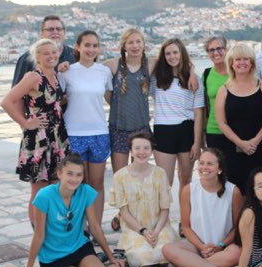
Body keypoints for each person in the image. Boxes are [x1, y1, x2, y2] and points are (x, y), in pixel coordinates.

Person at [8, 154, 125, 267]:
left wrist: (111, 257)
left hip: (79, 248)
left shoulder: (86, 192)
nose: (74, 179)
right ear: (59, 174)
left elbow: (94, 227)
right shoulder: (44, 196)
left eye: (78, 175)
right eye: (69, 174)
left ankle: (119, 260)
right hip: (54, 258)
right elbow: (39, 236)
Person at [1, 38, 70, 225]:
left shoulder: (54, 76)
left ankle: (52, 229)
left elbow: (53, 102)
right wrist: (25, 123)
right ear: (37, 57)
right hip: (39, 139)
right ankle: (38, 232)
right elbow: (6, 101)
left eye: (54, 52)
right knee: (39, 191)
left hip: (57, 138)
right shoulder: (33, 77)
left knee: (56, 186)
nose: (51, 56)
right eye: (46, 53)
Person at [57, 31, 113, 223]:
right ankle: (79, 226)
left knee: (96, 183)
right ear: (78, 47)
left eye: (95, 45)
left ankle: (95, 226)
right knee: (75, 184)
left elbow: (110, 97)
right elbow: (57, 98)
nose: (91, 49)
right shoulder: (66, 71)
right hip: (74, 134)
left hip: (99, 133)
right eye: (87, 45)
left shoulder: (104, 72)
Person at [162, 148, 244, 267]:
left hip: (223, 246)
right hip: (196, 245)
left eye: (210, 164)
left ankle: (185, 266)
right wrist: (201, 247)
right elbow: (186, 227)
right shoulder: (188, 190)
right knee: (167, 249)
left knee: (238, 253)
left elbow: (237, 228)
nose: (204, 167)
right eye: (201, 163)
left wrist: (220, 245)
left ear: (220, 169)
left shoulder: (233, 191)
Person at [109, 132, 179, 267]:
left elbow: (165, 209)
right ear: (131, 151)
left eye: (146, 148)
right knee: (138, 257)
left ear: (152, 151)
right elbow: (124, 212)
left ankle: (168, 258)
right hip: (135, 228)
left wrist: (157, 231)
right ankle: (169, 262)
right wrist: (144, 231)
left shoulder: (160, 173)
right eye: (137, 148)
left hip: (160, 226)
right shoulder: (119, 176)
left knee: (167, 250)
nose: (142, 152)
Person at [215, 43, 262, 190]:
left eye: (246, 59)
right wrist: (241, 143)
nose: (242, 63)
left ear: (252, 63)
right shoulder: (223, 90)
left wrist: (256, 141)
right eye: (238, 59)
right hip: (233, 149)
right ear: (231, 63)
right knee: (237, 189)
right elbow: (221, 122)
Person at [151, 38, 204, 190]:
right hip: (163, 131)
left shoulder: (194, 81)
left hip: (187, 130)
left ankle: (185, 214)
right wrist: (191, 67)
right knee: (164, 183)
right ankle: (164, 215)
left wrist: (196, 142)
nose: (172, 56)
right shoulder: (156, 79)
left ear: (182, 54)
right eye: (167, 53)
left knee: (186, 180)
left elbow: (198, 113)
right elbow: (146, 61)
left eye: (175, 52)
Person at [104, 28, 153, 174]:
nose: (135, 45)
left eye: (138, 41)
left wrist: (193, 73)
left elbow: (180, 61)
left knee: (139, 178)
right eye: (130, 42)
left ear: (144, 44)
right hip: (118, 128)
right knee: (120, 177)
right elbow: (106, 94)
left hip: (141, 128)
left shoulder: (151, 64)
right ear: (124, 46)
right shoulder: (111, 65)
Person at [12, 15, 75, 87]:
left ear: (64, 33)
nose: (55, 32)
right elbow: (15, 90)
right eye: (50, 29)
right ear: (41, 33)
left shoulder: (75, 55)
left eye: (59, 29)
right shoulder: (27, 58)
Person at [201, 36, 230, 150]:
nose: (216, 53)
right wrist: (202, 134)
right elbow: (204, 107)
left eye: (219, 48)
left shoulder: (236, 72)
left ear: (226, 50)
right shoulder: (207, 74)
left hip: (236, 130)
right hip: (214, 130)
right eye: (211, 50)